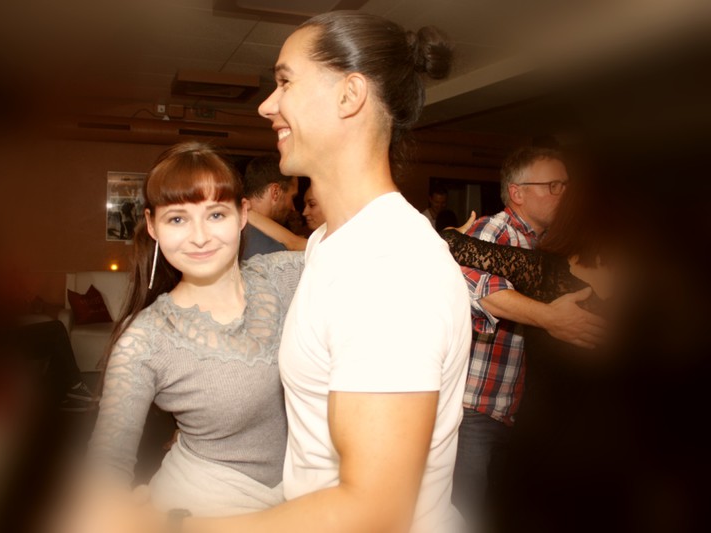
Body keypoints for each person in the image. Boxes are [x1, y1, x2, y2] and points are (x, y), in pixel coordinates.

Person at [55, 11, 471, 533]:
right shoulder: (327, 246)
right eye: (178, 218)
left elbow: (373, 514)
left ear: (349, 95)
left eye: (285, 82)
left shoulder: (386, 270)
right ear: (153, 227)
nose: (266, 104)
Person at [78, 142, 304, 518]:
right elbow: (107, 465)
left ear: (243, 214)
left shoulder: (283, 277)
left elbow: (368, 250)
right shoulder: (145, 339)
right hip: (200, 509)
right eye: (177, 219)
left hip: (305, 498)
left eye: (215, 214)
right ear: (153, 226)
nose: (199, 237)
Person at [451, 146, 606, 530]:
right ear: (517, 192)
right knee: (466, 514)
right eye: (553, 185)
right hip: (478, 406)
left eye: (566, 185)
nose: (562, 193)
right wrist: (549, 318)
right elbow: (477, 287)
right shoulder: (495, 230)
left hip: (520, 411)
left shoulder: (552, 247)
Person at [240, 153, 299, 259]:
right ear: (275, 192)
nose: (293, 208)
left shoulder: (231, 229)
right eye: (292, 197)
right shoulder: (274, 251)